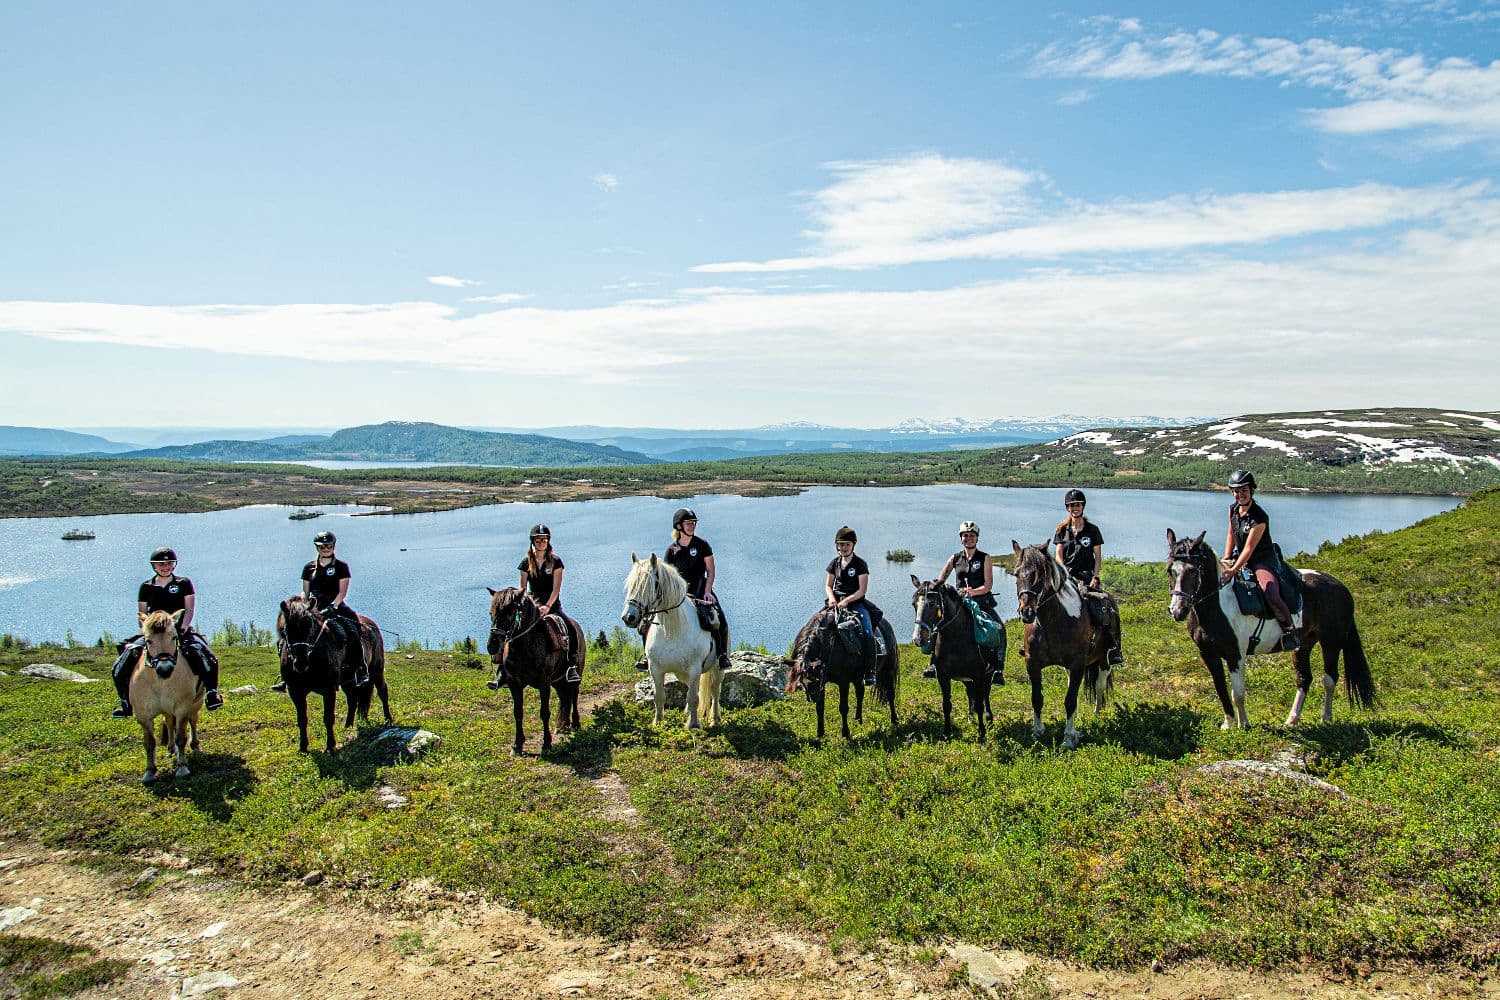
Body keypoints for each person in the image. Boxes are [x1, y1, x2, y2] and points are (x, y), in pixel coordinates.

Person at [110, 547, 223, 718]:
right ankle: (125, 702)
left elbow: (189, 609)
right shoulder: (146, 587)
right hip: (153, 633)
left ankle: (211, 694)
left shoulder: (183, 583)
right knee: (122, 661)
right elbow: (142, 614)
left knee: (208, 656)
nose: (165, 566)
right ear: (154, 566)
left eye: (169, 563)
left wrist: (183, 628)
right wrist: (147, 633)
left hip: (178, 630)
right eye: (161, 564)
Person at [275, 529, 369, 691]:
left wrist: (334, 605)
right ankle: (286, 676)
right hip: (313, 607)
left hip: (336, 607)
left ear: (333, 546)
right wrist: (305, 605)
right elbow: (305, 590)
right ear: (317, 548)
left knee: (353, 631)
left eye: (329, 546)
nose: (326, 549)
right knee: (288, 636)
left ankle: (361, 668)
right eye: (322, 546)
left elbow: (342, 591)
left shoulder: (341, 567)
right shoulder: (308, 568)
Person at [1219, 470, 1299, 651]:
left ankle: (1289, 631)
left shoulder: (1259, 517)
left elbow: (1249, 548)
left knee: (1269, 591)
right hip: (1241, 556)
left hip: (1261, 560)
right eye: (1236, 491)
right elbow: (1231, 533)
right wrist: (1226, 557)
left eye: (1244, 490)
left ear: (1252, 490)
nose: (1240, 494)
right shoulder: (1232, 509)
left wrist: (1233, 570)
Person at [1051, 489, 1126, 666]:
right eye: (1071, 506)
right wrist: (1064, 574)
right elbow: (1058, 556)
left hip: (1086, 577)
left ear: (1083, 506)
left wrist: (1095, 576)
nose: (1074, 508)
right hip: (1066, 577)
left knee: (1106, 605)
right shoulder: (1061, 530)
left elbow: (1098, 557)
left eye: (1077, 505)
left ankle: (1114, 649)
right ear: (1067, 508)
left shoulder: (1093, 530)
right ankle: (1043, 645)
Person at [929, 520, 1004, 683]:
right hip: (958, 602)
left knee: (999, 627)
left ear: (977, 538)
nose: (968, 538)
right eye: (965, 535)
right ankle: (933, 664)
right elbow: (941, 579)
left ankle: (998, 667)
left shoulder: (985, 558)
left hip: (981, 600)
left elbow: (988, 584)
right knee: (938, 624)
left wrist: (973, 592)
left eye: (972, 536)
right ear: (961, 538)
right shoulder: (955, 558)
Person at [664, 508, 732, 670]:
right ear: (679, 526)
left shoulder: (702, 545)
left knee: (720, 618)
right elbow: (668, 577)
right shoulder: (671, 551)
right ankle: (648, 656)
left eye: (693, 523)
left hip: (701, 588)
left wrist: (708, 591)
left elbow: (710, 571)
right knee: (651, 619)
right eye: (688, 523)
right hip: (680, 593)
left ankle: (722, 655)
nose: (692, 526)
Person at [516, 524, 581, 682]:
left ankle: (571, 665)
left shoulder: (556, 561)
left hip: (552, 605)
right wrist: (527, 606)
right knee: (511, 628)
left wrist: (548, 606)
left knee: (570, 628)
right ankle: (503, 669)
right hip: (532, 607)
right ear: (533, 542)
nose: (541, 542)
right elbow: (522, 588)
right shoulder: (526, 563)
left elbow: (556, 588)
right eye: (538, 540)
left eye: (544, 539)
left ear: (548, 541)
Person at [825, 525, 882, 684]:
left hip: (855, 603)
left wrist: (846, 601)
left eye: (846, 544)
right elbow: (828, 585)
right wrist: (831, 598)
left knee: (867, 632)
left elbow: (862, 590)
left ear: (853, 545)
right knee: (818, 626)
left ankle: (870, 671)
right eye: (840, 544)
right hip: (836, 602)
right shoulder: (834, 563)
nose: (843, 548)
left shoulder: (860, 564)